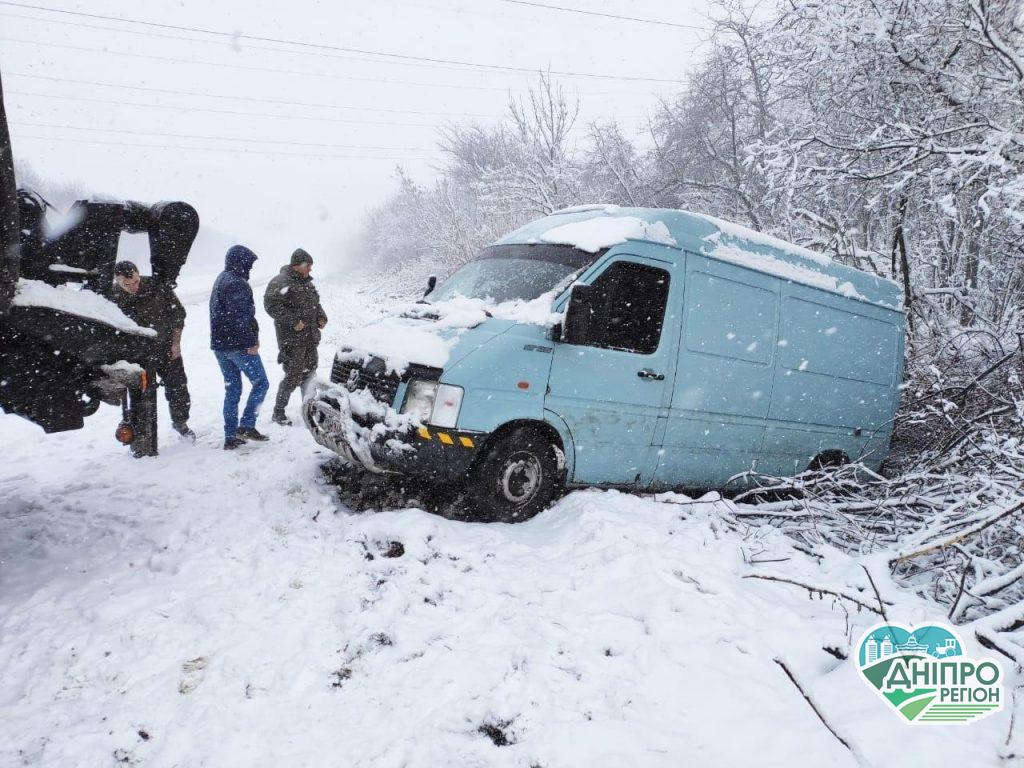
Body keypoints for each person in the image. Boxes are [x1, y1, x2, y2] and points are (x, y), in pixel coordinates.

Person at [111, 260, 195, 440]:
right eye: (127, 284)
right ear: (117, 281)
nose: (133, 287)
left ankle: (180, 422)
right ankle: (141, 435)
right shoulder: (111, 296)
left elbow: (178, 314)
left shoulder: (157, 287)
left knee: (178, 388)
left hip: (165, 348)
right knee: (141, 397)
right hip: (136, 357)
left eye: (135, 281)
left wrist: (176, 343)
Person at [209, 245, 270, 450]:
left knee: (232, 389)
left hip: (220, 346)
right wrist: (251, 342)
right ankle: (246, 425)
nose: (250, 269)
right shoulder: (237, 284)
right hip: (238, 346)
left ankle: (230, 436)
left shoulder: (222, 278)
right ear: (240, 262)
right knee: (261, 383)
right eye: (249, 264)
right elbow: (240, 318)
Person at [263, 248, 328, 426]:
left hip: (310, 338)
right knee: (293, 375)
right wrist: (293, 321)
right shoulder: (281, 282)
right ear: (296, 265)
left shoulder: (307, 283)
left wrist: (321, 317)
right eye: (308, 265)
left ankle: (309, 409)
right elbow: (271, 305)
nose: (310, 269)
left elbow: (315, 303)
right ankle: (278, 412)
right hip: (292, 339)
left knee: (310, 374)